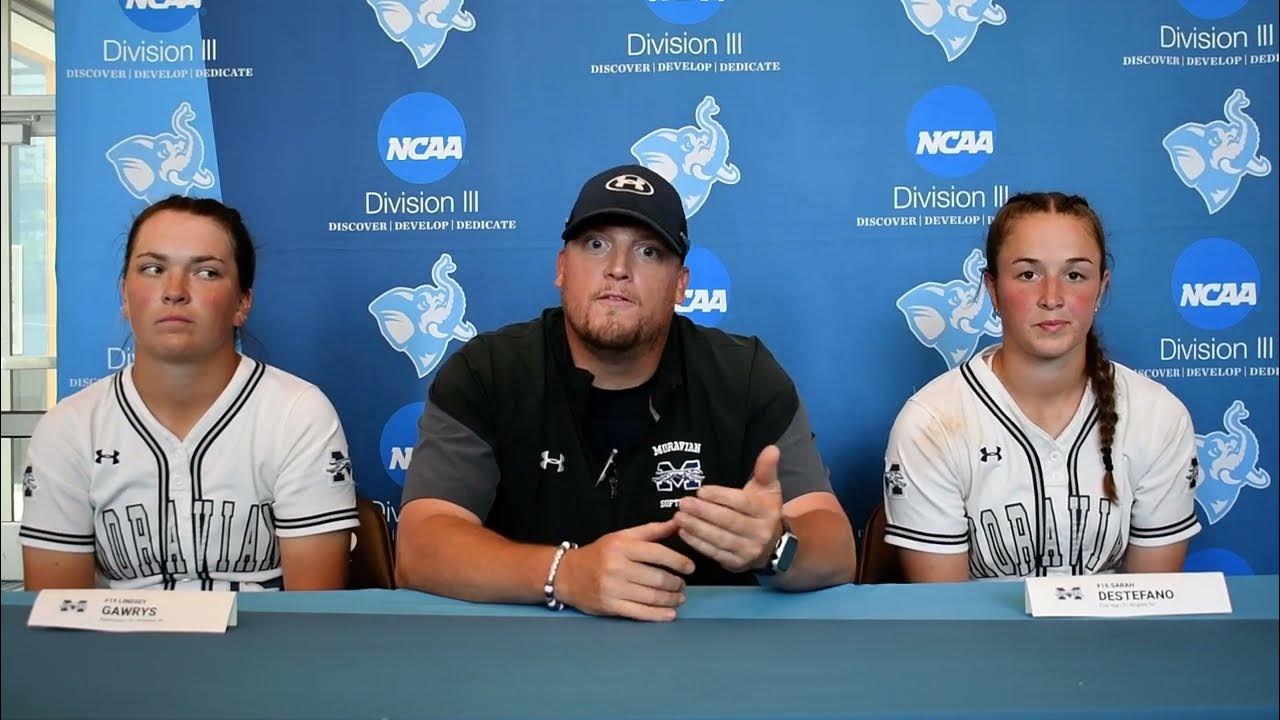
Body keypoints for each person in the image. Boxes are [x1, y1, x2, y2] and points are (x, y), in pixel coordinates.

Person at [396, 164, 856, 620]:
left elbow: (836, 549)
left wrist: (775, 546)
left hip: (705, 655)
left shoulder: (745, 375)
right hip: (527, 657)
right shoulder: (486, 373)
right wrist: (565, 574)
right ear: (562, 268)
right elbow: (420, 546)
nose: (618, 269)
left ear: (680, 285)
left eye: (648, 252)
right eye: (596, 245)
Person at [20, 196, 359, 591]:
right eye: (153, 269)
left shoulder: (297, 413)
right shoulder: (70, 427)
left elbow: (312, 612)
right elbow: (58, 613)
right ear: (125, 296)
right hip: (116, 635)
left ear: (242, 303)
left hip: (262, 633)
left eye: (206, 273)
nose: (174, 291)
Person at [883, 192, 1201, 581]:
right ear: (993, 288)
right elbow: (945, 609)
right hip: (977, 625)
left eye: (1074, 275)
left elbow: (1151, 601)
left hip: (1115, 625)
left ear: (1101, 287)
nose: (1052, 298)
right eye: (1028, 275)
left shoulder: (1158, 416)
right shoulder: (931, 423)